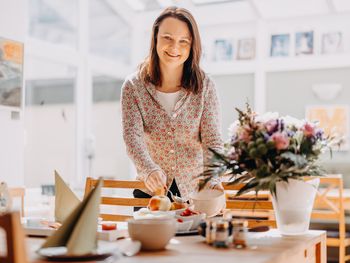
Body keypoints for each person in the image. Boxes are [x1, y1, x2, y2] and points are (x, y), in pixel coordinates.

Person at [121, 7, 223, 206]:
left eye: (183, 41)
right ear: (156, 38)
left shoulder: (205, 87)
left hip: (195, 192)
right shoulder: (133, 87)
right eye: (167, 37)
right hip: (150, 191)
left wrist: (213, 177)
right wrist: (149, 168)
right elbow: (132, 137)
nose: (175, 47)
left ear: (192, 45)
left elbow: (213, 140)